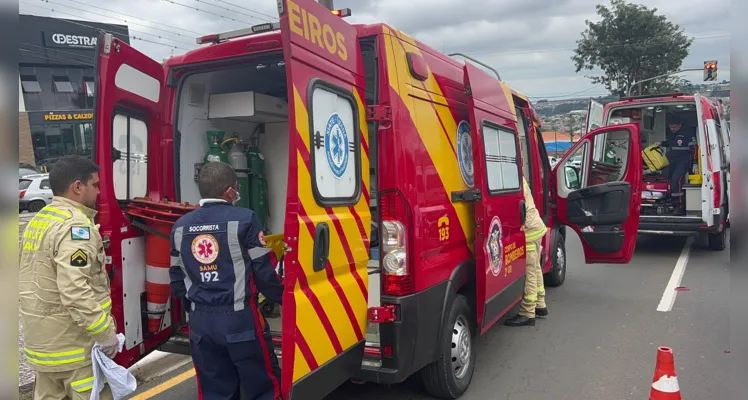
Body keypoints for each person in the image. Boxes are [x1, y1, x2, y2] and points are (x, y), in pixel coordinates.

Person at [169, 162, 284, 400]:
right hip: (240, 319)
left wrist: (192, 307)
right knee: (262, 385)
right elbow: (263, 270)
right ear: (229, 192)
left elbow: (176, 277)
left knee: (215, 390)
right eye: (237, 187)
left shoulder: (180, 226)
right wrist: (282, 297)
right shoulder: (245, 219)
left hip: (200, 322)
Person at [19, 155, 119, 400]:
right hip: (75, 351)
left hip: (42, 351)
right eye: (94, 185)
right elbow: (75, 290)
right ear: (77, 186)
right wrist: (105, 334)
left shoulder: (39, 220)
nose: (97, 192)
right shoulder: (77, 228)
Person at [505, 177, 548, 327]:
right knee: (535, 267)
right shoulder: (519, 176)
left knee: (530, 269)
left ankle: (527, 313)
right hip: (536, 227)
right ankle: (540, 303)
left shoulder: (513, 179)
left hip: (529, 231)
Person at [660, 114, 696, 215]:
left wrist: (695, 162)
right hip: (672, 161)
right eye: (671, 127)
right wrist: (661, 143)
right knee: (670, 181)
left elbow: (694, 148)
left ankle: (679, 207)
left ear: (680, 124)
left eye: (675, 127)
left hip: (684, 160)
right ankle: (672, 204)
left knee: (677, 180)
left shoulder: (688, 133)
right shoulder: (672, 133)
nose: (673, 129)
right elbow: (672, 143)